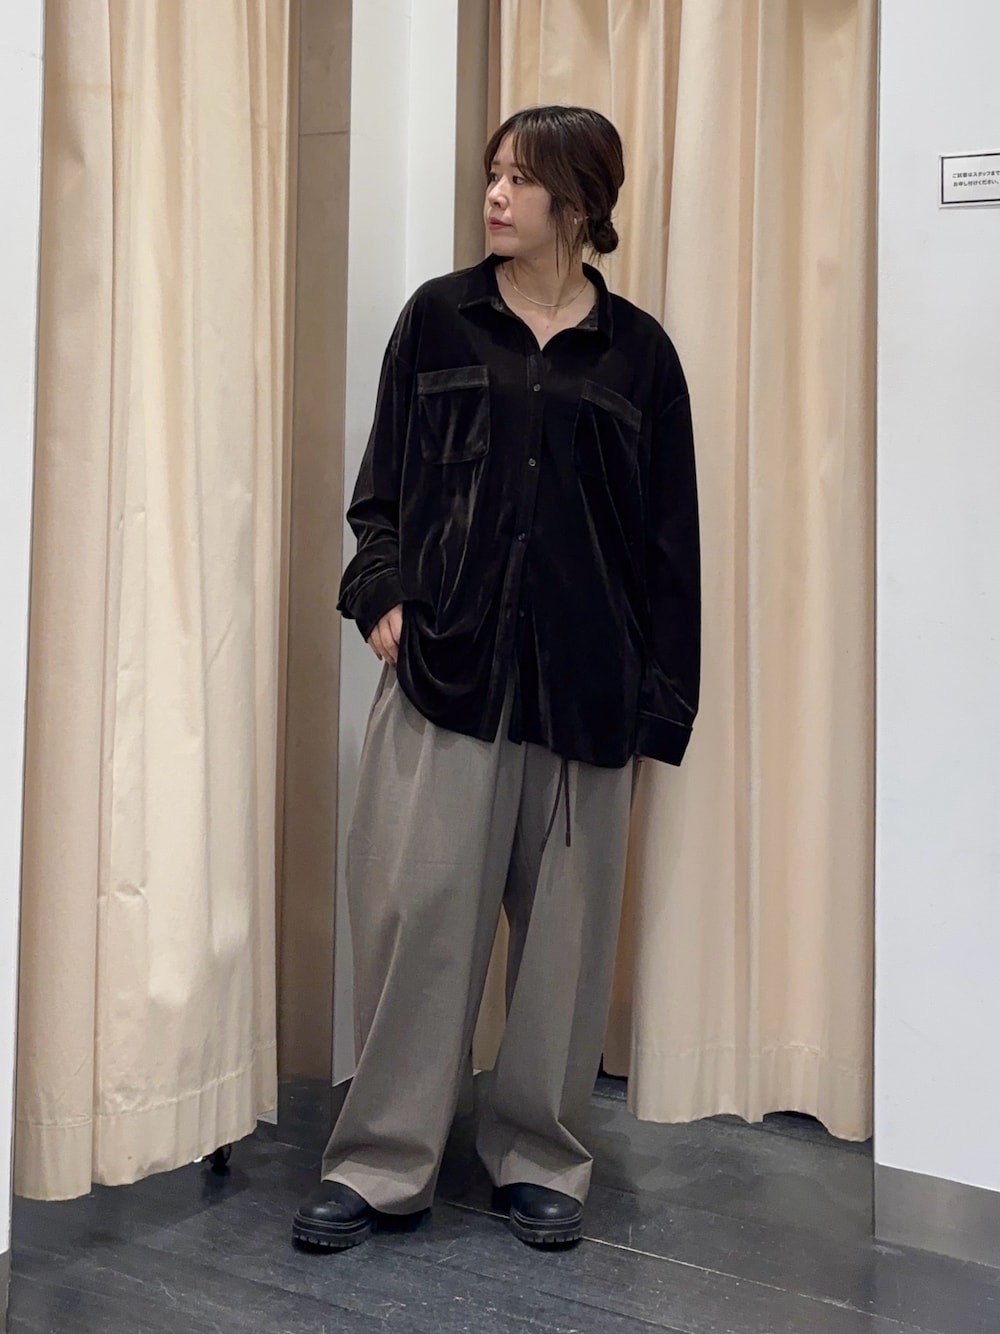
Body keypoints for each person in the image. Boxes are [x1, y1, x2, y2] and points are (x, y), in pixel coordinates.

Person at [292, 105, 700, 1253]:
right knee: (415, 924)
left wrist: (659, 704)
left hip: (584, 698)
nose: (496, 195)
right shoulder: (437, 320)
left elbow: (669, 549)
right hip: (447, 679)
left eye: (521, 179)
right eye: (493, 174)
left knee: (564, 953)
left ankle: (540, 1155)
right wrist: (380, 593)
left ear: (580, 201)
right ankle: (381, 1161)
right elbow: (379, 490)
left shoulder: (639, 356)